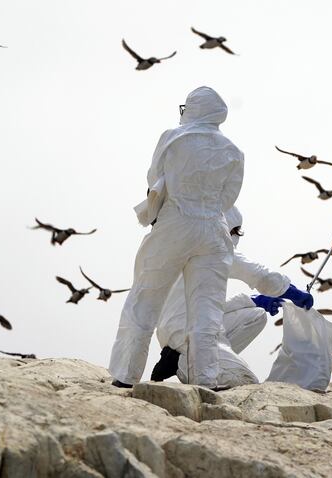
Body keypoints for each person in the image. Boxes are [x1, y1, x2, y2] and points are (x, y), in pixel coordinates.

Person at [108, 86, 244, 390]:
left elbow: (154, 176)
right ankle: (206, 379)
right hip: (214, 229)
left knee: (146, 296)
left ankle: (126, 375)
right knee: (207, 307)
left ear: (193, 108)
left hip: (175, 222)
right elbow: (229, 196)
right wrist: (207, 212)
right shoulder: (234, 150)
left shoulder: (173, 137)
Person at [151, 206, 314, 387]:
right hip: (183, 333)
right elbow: (261, 276)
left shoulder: (191, 244)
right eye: (235, 231)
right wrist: (293, 292)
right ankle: (184, 363)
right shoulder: (214, 247)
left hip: (188, 324)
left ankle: (206, 361)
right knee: (246, 381)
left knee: (256, 315)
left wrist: (255, 300)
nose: (236, 237)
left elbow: (213, 308)